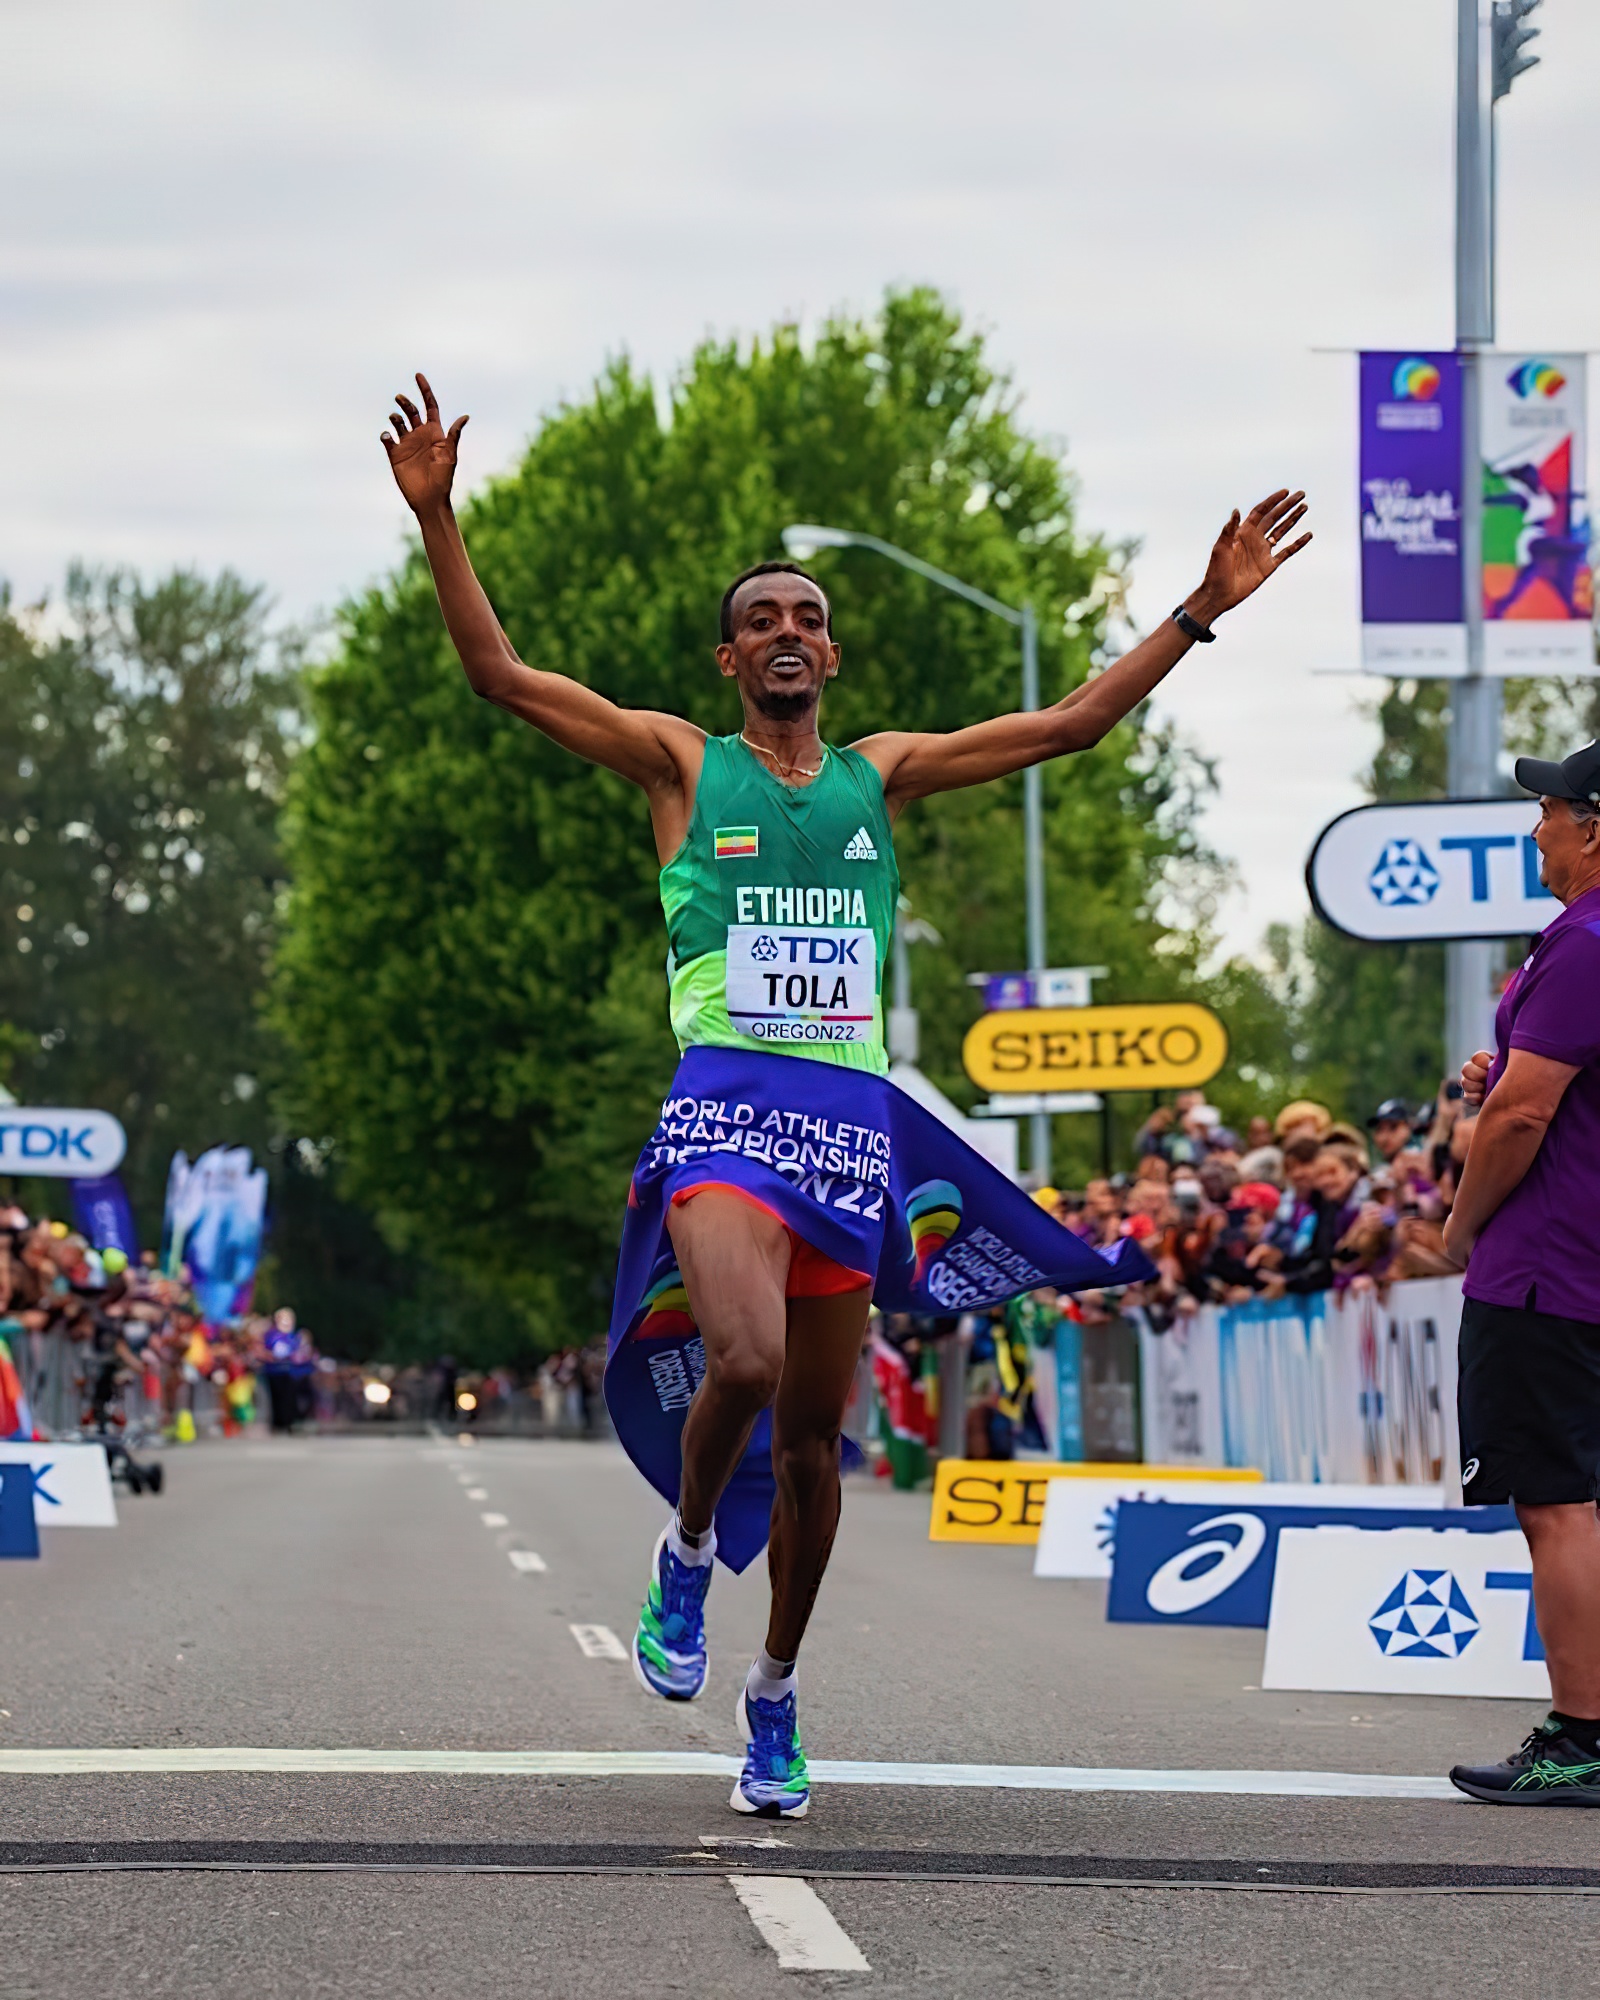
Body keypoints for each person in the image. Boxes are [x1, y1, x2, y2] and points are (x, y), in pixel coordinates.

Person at [381, 370, 1308, 1817]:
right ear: (729, 658)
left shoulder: (883, 775)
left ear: (834, 651)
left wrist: (1200, 611)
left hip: (843, 1130)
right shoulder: (681, 766)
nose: (791, 633)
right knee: (742, 1364)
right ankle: (686, 1558)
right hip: (722, 1118)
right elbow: (503, 680)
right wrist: (441, 520)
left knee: (815, 1445)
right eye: (765, 620)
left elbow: (1069, 727)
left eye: (810, 616)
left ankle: (776, 1696)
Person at [1444, 742, 1600, 1803]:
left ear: (1592, 825)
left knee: (1555, 1503)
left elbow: (1526, 1113)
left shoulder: (1583, 942)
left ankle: (1580, 1734)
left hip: (1546, 1264)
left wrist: (1460, 1222)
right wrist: (1505, 1066)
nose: (1532, 828)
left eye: (1547, 810)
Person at [1366, 1097, 1417, 1167]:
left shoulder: (1423, 1162)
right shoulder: (1381, 1169)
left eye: (1393, 1127)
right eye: (1379, 1130)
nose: (1384, 1137)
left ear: (1410, 1126)